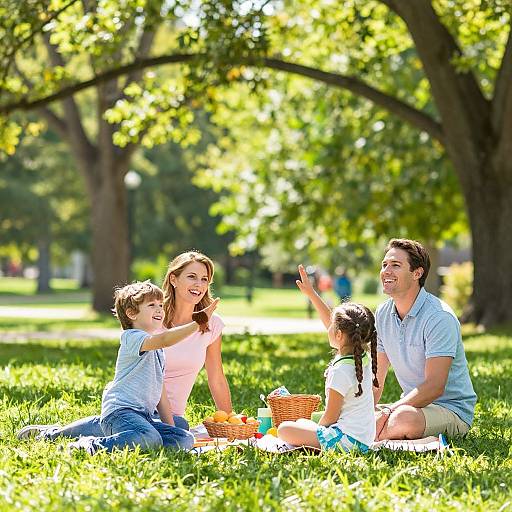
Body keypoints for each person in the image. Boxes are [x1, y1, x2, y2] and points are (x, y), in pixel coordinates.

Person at [18, 251, 232, 441]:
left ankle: (119, 428)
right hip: (133, 406)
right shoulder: (150, 318)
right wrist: (198, 322)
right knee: (151, 433)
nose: (199, 285)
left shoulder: (211, 325)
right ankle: (58, 434)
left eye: (205, 279)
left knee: (181, 429)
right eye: (192, 277)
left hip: (170, 413)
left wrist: (230, 423)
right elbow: (162, 350)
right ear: (173, 279)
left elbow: (216, 377)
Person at [69, 280, 218, 454]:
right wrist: (198, 322)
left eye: (161, 305)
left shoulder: (157, 349)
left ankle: (140, 438)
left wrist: (172, 429)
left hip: (143, 416)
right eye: (152, 305)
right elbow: (165, 339)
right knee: (149, 438)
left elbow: (160, 391)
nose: (159, 310)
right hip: (120, 412)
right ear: (132, 313)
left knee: (184, 436)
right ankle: (91, 444)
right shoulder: (132, 337)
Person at [374, 238, 477, 441]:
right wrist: (365, 411)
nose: (386, 270)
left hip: (451, 410)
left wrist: (387, 412)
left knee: (403, 419)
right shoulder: (382, 314)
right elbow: (376, 379)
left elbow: (434, 387)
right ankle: (370, 431)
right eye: (384, 264)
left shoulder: (439, 317)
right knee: (356, 412)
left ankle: (363, 436)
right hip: (411, 406)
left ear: (417, 273)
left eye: (395, 265)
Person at [277, 266, 378, 452]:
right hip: (363, 438)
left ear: (339, 335)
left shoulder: (340, 371)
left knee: (284, 429)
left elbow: (330, 417)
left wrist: (316, 430)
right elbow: (333, 323)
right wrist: (312, 294)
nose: (327, 327)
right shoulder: (362, 357)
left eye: (331, 326)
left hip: (346, 441)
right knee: (300, 422)